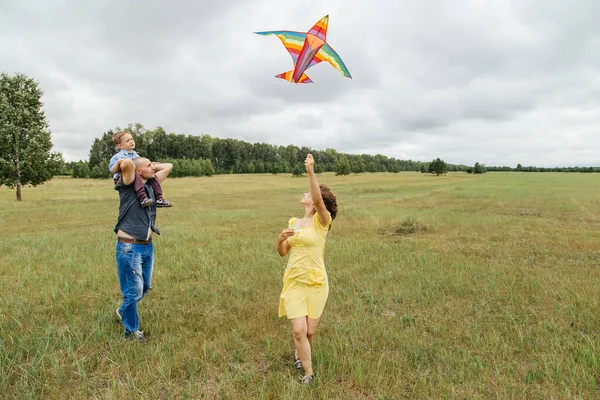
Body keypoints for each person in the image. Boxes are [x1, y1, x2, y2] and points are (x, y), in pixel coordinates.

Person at [276, 154, 338, 385]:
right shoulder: (293, 222)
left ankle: (298, 353)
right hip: (294, 281)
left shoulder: (323, 221)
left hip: (316, 282)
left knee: (310, 332)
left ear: (315, 199)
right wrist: (279, 239)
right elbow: (283, 252)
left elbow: (320, 203)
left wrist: (311, 172)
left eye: (309, 193)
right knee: (299, 331)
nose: (304, 194)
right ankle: (308, 374)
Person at [113, 156, 172, 342]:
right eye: (148, 166)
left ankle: (123, 310)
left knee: (144, 287)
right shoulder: (129, 184)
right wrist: (127, 157)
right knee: (133, 290)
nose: (153, 168)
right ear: (138, 172)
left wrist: (151, 165)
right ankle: (131, 332)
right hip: (129, 246)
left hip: (147, 245)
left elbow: (168, 166)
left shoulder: (149, 187)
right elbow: (129, 165)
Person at [109, 130, 173, 208]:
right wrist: (119, 163)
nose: (131, 142)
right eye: (127, 141)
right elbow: (112, 170)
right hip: (123, 178)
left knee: (152, 177)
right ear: (120, 146)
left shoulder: (135, 154)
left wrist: (150, 165)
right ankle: (143, 198)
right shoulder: (117, 157)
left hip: (136, 175)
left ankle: (159, 198)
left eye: (132, 139)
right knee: (137, 176)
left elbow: (141, 165)